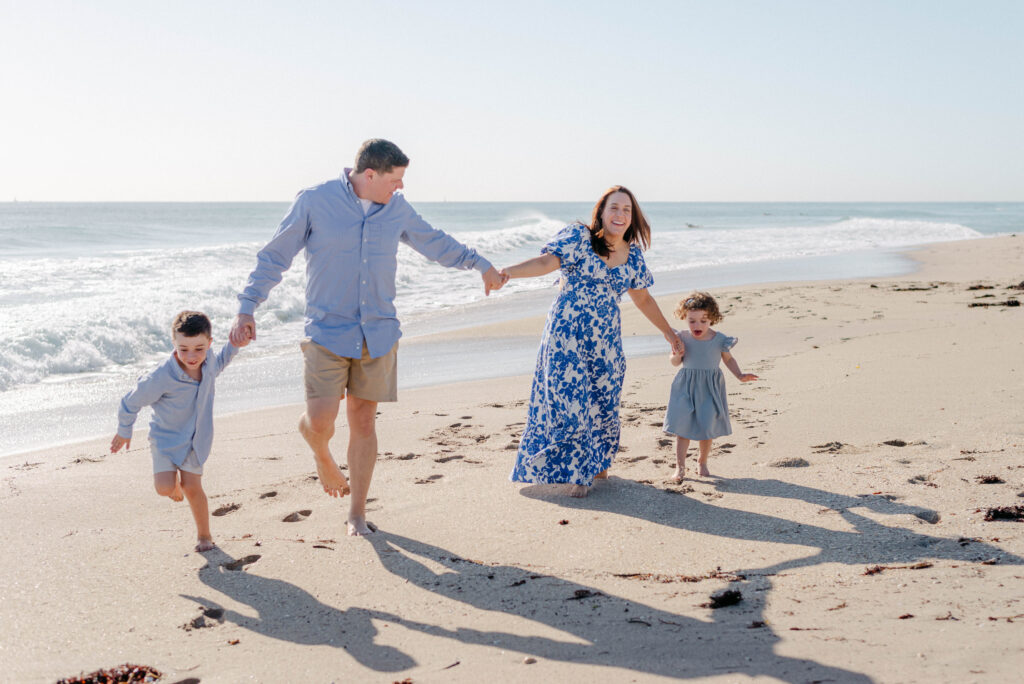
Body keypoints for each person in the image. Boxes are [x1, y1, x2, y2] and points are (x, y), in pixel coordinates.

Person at [229, 139, 505, 536]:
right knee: (321, 420)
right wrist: (247, 307)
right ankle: (321, 453)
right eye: (395, 179)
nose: (401, 187)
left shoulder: (397, 210)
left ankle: (356, 514)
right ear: (370, 174)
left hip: (378, 331)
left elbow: (436, 242)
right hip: (327, 330)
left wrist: (480, 264)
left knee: (363, 420)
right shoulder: (314, 201)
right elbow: (275, 256)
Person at [501, 186, 683, 497]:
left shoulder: (633, 255)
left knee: (603, 402)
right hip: (565, 336)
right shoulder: (578, 238)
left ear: (632, 218)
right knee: (570, 402)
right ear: (601, 212)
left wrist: (668, 332)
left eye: (627, 210)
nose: (620, 215)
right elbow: (546, 263)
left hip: (605, 342)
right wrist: (507, 273)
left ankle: (598, 465)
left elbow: (643, 298)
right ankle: (580, 472)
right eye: (614, 208)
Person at [111, 311, 245, 552]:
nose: (192, 356)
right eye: (183, 349)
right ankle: (173, 485)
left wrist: (234, 345)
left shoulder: (208, 361)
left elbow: (220, 363)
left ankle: (204, 536)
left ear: (209, 344)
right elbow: (131, 401)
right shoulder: (161, 376)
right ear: (173, 344)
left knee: (193, 488)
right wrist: (124, 430)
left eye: (199, 348)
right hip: (165, 440)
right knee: (163, 488)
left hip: (196, 440)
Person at [663, 291, 758, 480]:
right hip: (685, 387)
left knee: (707, 428)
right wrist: (678, 354)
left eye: (703, 320)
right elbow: (674, 362)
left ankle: (702, 462)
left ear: (712, 319)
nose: (697, 325)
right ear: (685, 318)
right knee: (682, 429)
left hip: (710, 388)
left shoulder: (720, 339)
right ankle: (680, 467)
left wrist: (739, 375)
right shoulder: (681, 337)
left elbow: (728, 360)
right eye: (692, 321)